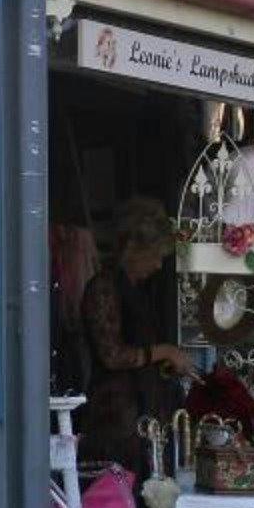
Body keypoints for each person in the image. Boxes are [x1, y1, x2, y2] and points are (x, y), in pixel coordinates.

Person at [77, 197, 194, 484]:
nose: (157, 265)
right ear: (133, 248)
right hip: (116, 417)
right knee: (119, 496)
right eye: (154, 255)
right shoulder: (104, 288)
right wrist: (164, 352)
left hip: (142, 413)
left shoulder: (138, 291)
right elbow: (112, 354)